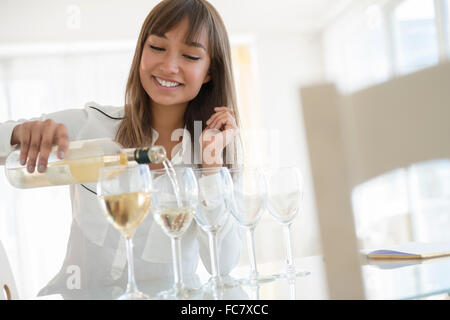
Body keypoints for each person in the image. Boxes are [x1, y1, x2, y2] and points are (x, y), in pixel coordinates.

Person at [0, 0, 243, 296]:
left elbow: (224, 264)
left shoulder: (213, 152)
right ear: (141, 51)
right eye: (157, 47)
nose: (169, 65)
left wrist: (211, 167)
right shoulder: (91, 127)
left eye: (191, 55)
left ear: (209, 72)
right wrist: (19, 134)